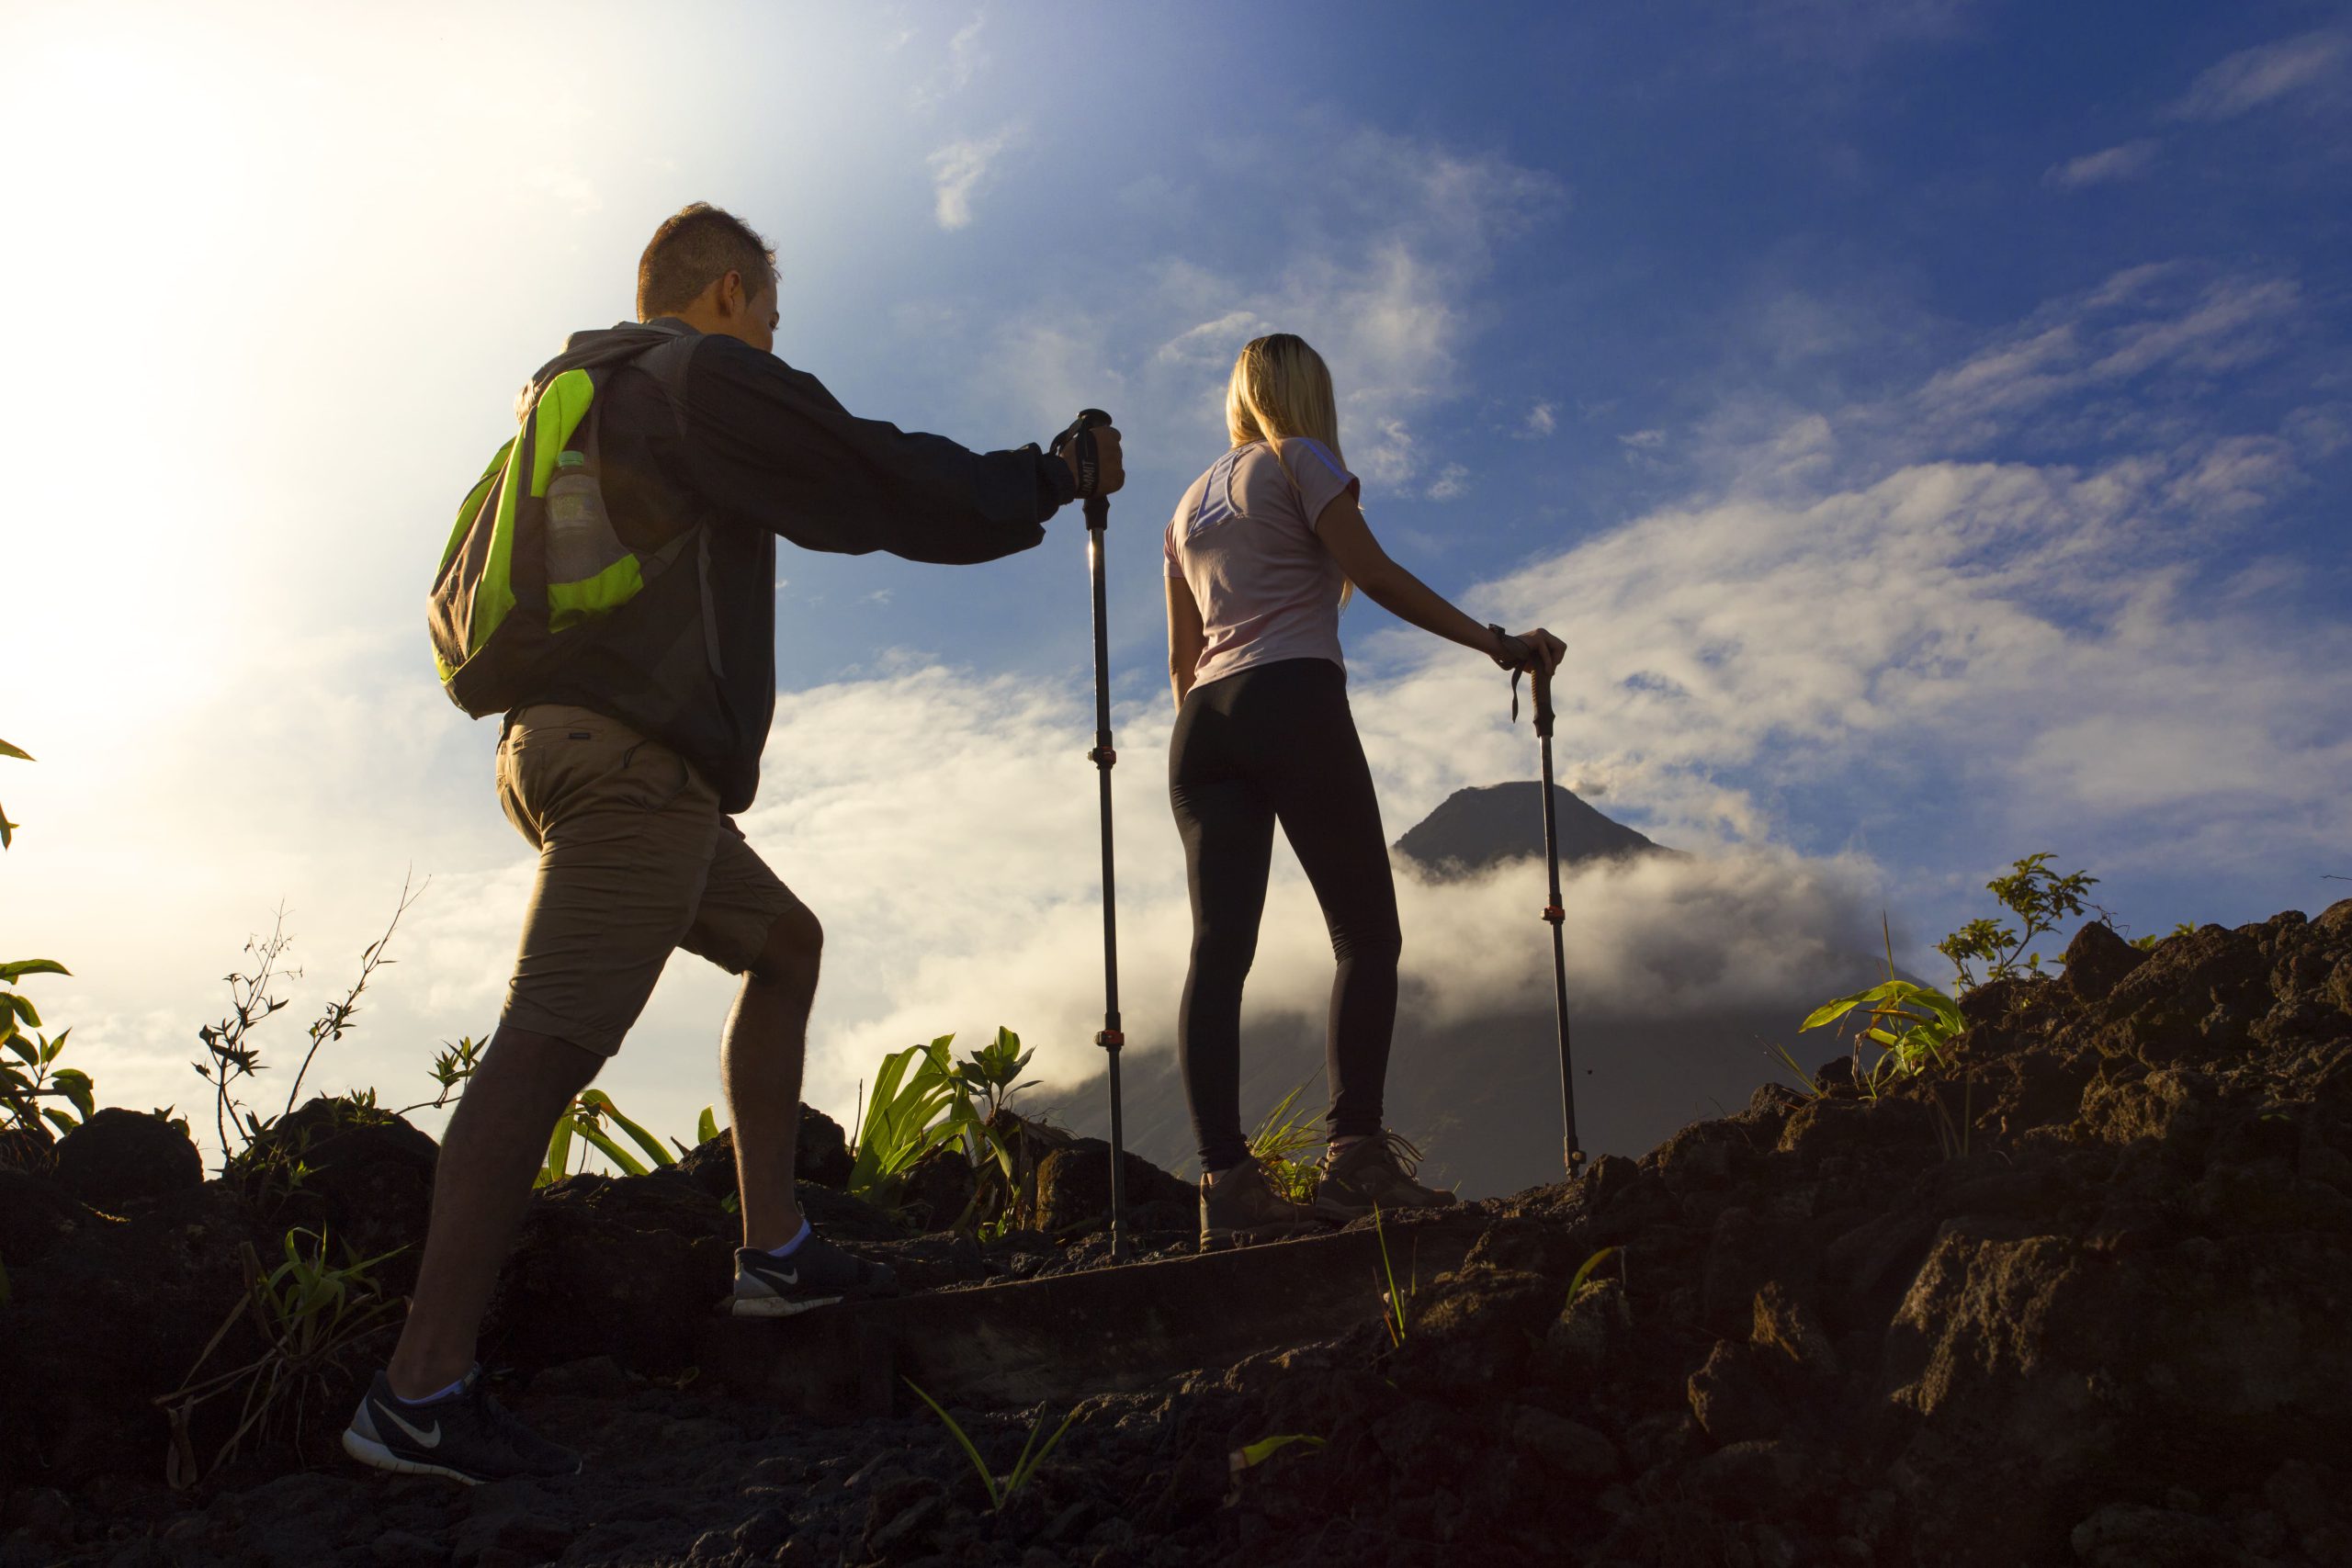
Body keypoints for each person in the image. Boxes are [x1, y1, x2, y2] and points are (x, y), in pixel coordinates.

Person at [345, 203, 1123, 1484]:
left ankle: (774, 1249)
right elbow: (867, 470)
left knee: (784, 941)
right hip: (634, 772)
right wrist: (1041, 475)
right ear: (721, 293)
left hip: (573, 750)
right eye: (765, 308)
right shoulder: (696, 376)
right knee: (543, 1048)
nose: (769, 333)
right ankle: (419, 1387)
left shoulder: (579, 393)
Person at [1164, 333, 1560, 1247]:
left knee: (1218, 951)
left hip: (1201, 729)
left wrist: (1217, 739)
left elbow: (1182, 665)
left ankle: (1225, 1183)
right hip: (1292, 694)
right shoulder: (1301, 460)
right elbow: (1373, 575)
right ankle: (1355, 1158)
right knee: (1365, 933)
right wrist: (1496, 642)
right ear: (1308, 394)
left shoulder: (1184, 507)